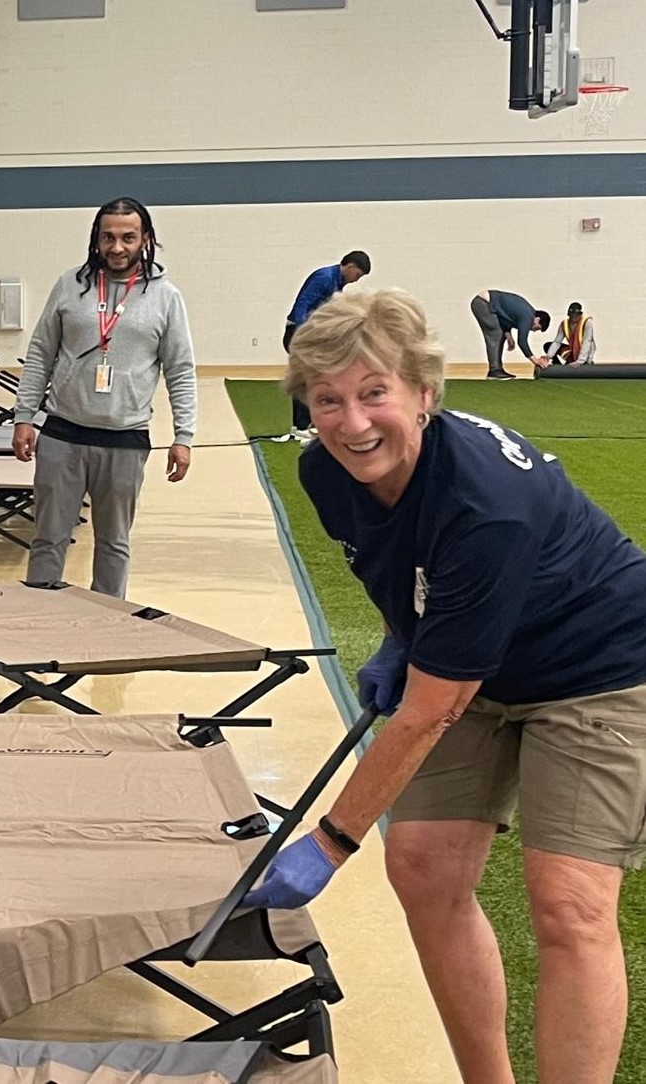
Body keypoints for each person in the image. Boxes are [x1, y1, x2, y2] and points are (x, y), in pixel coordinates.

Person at [245, 289, 645, 1083]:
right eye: (327, 400)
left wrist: (331, 841)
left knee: (569, 904)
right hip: (475, 658)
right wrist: (402, 640)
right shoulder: (326, 472)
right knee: (424, 869)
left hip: (597, 665)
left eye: (374, 393)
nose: (352, 423)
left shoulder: (486, 504)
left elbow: (433, 710)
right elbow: (397, 573)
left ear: (424, 393)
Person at [12, 196, 197, 600]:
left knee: (114, 544)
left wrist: (183, 436)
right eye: (108, 237)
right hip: (62, 435)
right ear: (96, 239)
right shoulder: (69, 285)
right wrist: (24, 416)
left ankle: (109, 623)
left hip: (125, 439)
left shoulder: (166, 297)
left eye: (128, 237)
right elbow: (40, 353)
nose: (117, 247)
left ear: (145, 239)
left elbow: (180, 370)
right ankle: (37, 618)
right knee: (48, 539)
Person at [283, 251, 371, 436]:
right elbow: (302, 305)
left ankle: (306, 424)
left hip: (312, 334)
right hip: (298, 333)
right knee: (308, 378)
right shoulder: (324, 278)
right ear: (350, 266)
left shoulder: (338, 283)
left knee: (318, 377)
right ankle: (301, 427)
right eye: (357, 275)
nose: (356, 280)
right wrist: (303, 336)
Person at [470, 289, 551, 379]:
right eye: (537, 328)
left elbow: (505, 318)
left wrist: (509, 337)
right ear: (538, 319)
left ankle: (496, 369)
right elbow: (522, 341)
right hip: (483, 303)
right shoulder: (528, 317)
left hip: (487, 303)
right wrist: (535, 360)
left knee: (500, 334)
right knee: (496, 334)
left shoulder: (527, 312)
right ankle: (494, 370)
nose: (534, 330)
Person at [545, 301, 596, 366]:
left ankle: (586, 362)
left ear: (580, 315)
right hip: (573, 350)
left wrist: (580, 361)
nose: (573, 318)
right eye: (572, 316)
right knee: (547, 345)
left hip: (586, 354)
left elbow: (587, 341)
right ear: (568, 315)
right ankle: (560, 363)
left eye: (576, 316)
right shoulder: (564, 324)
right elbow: (557, 342)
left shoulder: (587, 322)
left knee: (588, 347)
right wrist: (548, 356)